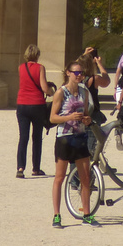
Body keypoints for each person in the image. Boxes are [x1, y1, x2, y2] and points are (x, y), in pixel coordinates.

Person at [49, 61, 97, 227]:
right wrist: (69, 117)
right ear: (68, 73)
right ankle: (56, 214)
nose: (79, 75)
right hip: (64, 137)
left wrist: (87, 119)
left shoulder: (84, 91)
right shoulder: (61, 93)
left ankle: (87, 214)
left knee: (85, 178)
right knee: (59, 177)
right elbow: (52, 118)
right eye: (75, 72)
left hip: (80, 135)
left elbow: (85, 113)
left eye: (81, 73)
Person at [15, 43, 55, 178]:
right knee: (37, 137)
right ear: (37, 55)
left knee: (23, 137)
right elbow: (44, 87)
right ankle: (36, 168)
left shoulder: (21, 67)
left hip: (22, 104)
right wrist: (51, 92)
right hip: (37, 104)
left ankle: (20, 168)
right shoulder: (40, 68)